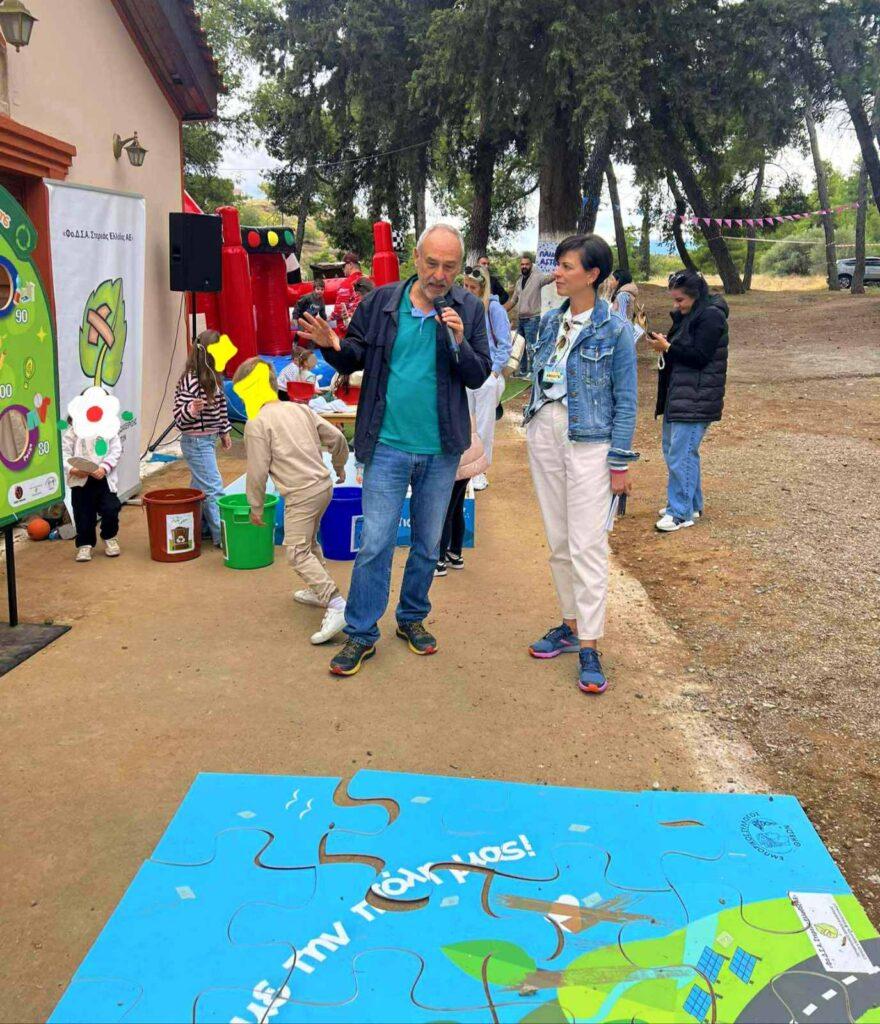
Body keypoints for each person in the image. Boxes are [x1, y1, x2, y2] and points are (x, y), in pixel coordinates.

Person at [298, 222, 491, 677]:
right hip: (386, 445)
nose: (439, 274)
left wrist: (459, 341)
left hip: (441, 449)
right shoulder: (382, 302)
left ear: (459, 269)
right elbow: (354, 353)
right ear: (415, 259)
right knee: (375, 543)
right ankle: (362, 632)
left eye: (449, 266)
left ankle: (411, 617)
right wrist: (332, 346)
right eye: (432, 263)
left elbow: (479, 374)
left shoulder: (468, 308)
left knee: (427, 543)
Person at [524, 234, 638, 696]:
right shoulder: (550, 322)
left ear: (592, 275)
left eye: (567, 266)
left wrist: (620, 462)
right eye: (558, 264)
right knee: (558, 539)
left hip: (591, 442)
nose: (557, 272)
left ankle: (590, 644)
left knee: (587, 544)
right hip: (545, 432)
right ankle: (570, 625)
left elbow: (626, 401)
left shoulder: (616, 331)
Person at [234, 357, 351, 645]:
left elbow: (257, 471)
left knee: (296, 551)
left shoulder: (256, 424)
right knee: (308, 542)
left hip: (300, 493)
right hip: (323, 487)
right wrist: (339, 466)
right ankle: (320, 590)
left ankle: (336, 603)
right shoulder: (300, 408)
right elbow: (337, 437)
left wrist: (255, 505)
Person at [647, 269, 729, 533]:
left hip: (696, 398)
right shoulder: (691, 315)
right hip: (681, 395)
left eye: (680, 300)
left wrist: (668, 348)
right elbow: (684, 349)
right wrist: (666, 343)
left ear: (695, 295)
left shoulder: (711, 317)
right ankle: (690, 504)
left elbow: (700, 357)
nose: (676, 305)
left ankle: (679, 512)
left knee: (680, 454)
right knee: (677, 451)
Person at [172, 330, 232, 547]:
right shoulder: (189, 380)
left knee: (199, 489)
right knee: (214, 487)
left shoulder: (215, 377)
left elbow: (221, 407)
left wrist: (224, 431)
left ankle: (199, 528)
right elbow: (179, 418)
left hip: (208, 439)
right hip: (195, 442)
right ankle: (223, 537)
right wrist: (191, 409)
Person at [461, 265, 511, 490]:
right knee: (466, 425)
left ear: (482, 288)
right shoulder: (463, 307)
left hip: (487, 376)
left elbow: (504, 344)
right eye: (465, 286)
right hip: (467, 373)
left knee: (483, 427)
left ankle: (480, 471)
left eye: (473, 287)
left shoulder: (494, 309)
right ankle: (467, 470)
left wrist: (494, 372)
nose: (468, 290)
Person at [62, 408, 122, 562]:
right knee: (83, 514)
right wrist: (74, 469)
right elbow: (64, 453)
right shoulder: (73, 431)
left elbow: (115, 450)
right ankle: (85, 544)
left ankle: (109, 536)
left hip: (104, 479)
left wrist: (104, 468)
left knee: (111, 508)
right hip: (81, 481)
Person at [435, 417, 487, 576]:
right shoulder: (464, 406)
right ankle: (455, 553)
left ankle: (439, 560)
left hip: (456, 461)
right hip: (469, 459)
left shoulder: (451, 407)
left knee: (446, 511)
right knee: (456, 507)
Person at [505, 253, 555, 377]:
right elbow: (513, 301)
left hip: (532, 319)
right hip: (520, 319)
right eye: (522, 264)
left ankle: (533, 372)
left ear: (531, 265)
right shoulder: (519, 282)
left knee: (531, 347)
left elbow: (550, 278)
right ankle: (523, 371)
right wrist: (500, 310)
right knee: (520, 346)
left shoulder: (537, 278)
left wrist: (561, 269)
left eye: (527, 264)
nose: (524, 266)